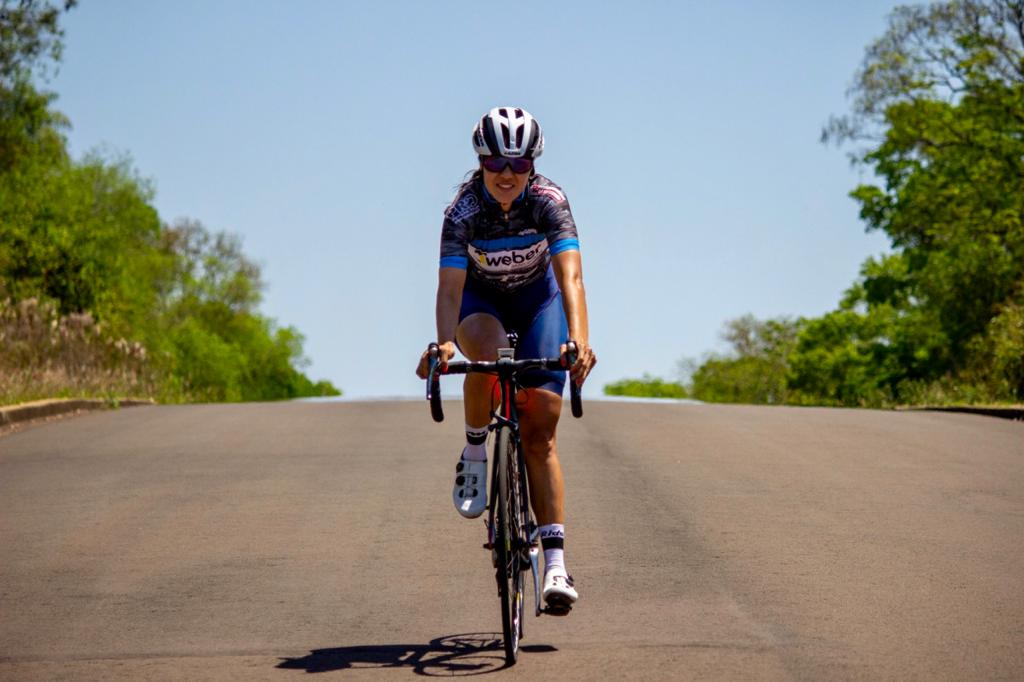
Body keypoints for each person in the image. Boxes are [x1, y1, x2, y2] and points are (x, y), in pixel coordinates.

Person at [416, 106, 596, 612]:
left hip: (539, 303)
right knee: (491, 354)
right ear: (480, 162)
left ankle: (556, 567)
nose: (507, 174)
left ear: (533, 164)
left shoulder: (549, 202)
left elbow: (571, 279)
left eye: (518, 163)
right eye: (495, 163)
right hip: (481, 304)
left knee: (539, 432)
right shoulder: (462, 212)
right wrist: (444, 342)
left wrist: (579, 341)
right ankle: (475, 451)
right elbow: (449, 288)